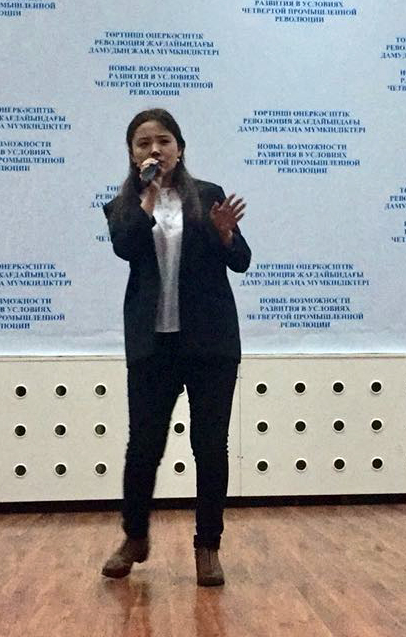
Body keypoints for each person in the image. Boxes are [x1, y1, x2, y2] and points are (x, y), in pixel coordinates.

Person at [100, 108, 250, 586]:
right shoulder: (124, 206)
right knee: (143, 447)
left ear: (179, 149)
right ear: (132, 154)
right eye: (143, 143)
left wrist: (226, 235)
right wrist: (146, 199)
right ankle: (134, 537)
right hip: (153, 345)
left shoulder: (207, 195)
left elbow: (241, 260)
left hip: (210, 343)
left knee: (210, 447)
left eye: (163, 141)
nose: (154, 149)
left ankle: (208, 546)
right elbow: (126, 247)